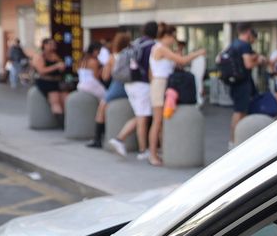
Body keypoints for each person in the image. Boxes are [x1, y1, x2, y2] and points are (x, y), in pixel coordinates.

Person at [148, 24, 206, 165]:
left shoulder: (159, 48)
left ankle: (161, 152)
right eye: (173, 37)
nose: (174, 40)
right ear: (166, 36)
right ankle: (152, 155)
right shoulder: (161, 48)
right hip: (160, 85)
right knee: (157, 121)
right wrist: (198, 53)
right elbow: (182, 61)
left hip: (161, 84)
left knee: (161, 121)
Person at [111, 21, 159, 160]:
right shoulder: (152, 46)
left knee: (140, 116)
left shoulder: (136, 43)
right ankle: (140, 148)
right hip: (142, 85)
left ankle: (123, 140)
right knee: (142, 118)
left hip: (129, 83)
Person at [218, 23, 265, 146]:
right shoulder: (244, 45)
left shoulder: (234, 44)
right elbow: (248, 64)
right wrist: (258, 61)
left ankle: (236, 140)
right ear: (248, 32)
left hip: (235, 82)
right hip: (243, 83)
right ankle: (234, 141)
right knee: (240, 112)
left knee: (240, 111)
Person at [33, 37, 68, 127]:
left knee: (65, 99)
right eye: (50, 44)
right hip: (46, 81)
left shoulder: (56, 56)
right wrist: (56, 66)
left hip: (58, 81)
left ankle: (68, 120)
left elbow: (61, 67)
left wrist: (61, 68)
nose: (53, 47)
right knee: (55, 100)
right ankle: (62, 123)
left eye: (54, 45)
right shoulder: (39, 56)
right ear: (44, 45)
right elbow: (41, 70)